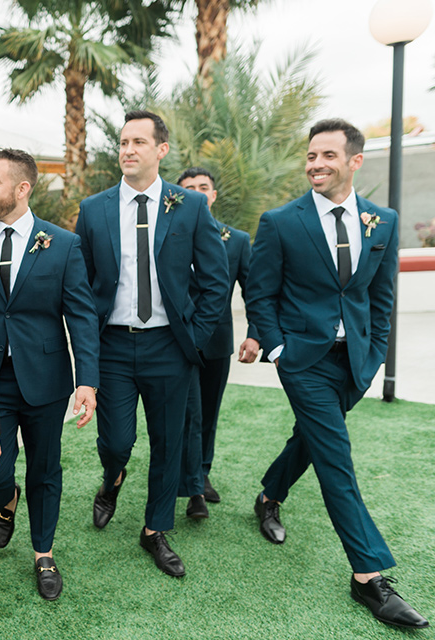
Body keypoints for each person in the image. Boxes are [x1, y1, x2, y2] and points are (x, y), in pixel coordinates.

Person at [246, 119, 428, 629]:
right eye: (310, 156)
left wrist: (375, 354)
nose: (316, 164)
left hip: (355, 362)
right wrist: (278, 347)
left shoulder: (383, 221)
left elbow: (381, 295)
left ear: (354, 161)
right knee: (336, 457)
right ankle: (367, 576)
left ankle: (269, 495)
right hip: (302, 360)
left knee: (312, 437)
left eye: (327, 155)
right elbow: (260, 293)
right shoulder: (281, 221)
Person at [74, 110, 228, 577]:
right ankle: (112, 477)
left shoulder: (190, 206)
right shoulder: (93, 209)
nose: (127, 150)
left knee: (169, 443)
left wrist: (195, 338)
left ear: (161, 150)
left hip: (169, 347)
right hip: (114, 346)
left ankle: (154, 530)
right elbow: (80, 287)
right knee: (117, 440)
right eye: (123, 142)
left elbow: (216, 282)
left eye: (139, 142)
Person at [0, 149, 98, 600]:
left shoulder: (64, 244)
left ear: (22, 188)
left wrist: (87, 380)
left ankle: (43, 553)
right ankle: (6, 497)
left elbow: (81, 315)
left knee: (46, 467)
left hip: (46, 380)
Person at [175, 167, 259, 518]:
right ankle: (192, 487)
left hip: (217, 341)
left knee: (208, 413)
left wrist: (255, 333)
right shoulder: (167, 235)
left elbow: (254, 290)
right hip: (175, 342)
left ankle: (201, 473)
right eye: (188, 188)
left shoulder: (236, 240)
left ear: (212, 195)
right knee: (185, 414)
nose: (196, 192)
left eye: (202, 187)